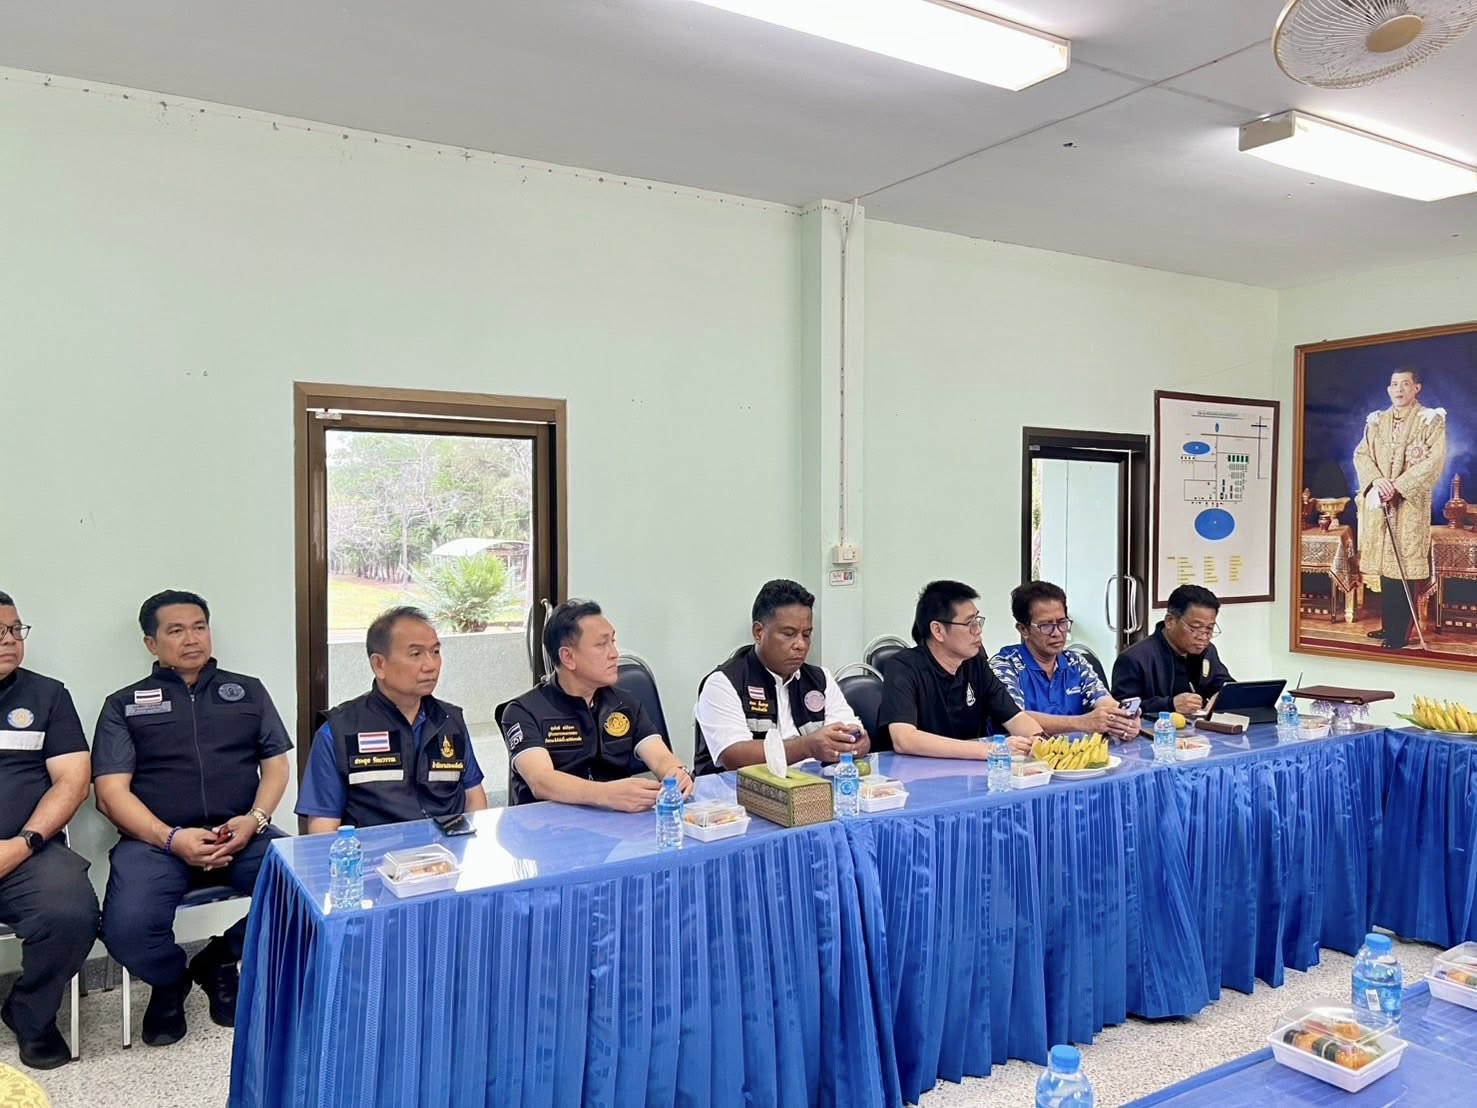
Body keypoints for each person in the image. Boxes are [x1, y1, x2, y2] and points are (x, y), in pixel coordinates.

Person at [93, 590, 291, 1047]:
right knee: (125, 929)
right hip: (155, 843)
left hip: (240, 834)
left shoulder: (247, 691)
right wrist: (171, 838)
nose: (192, 639)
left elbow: (277, 766)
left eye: (199, 627)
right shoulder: (123, 705)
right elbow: (110, 794)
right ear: (151, 643)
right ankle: (170, 981)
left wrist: (255, 819)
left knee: (306, 892)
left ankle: (218, 959)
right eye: (176, 630)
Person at [0, 592, 98, 1070]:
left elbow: (73, 781)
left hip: (29, 850)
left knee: (71, 912)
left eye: (15, 629)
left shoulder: (47, 696)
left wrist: (23, 844)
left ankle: (31, 1015)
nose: (9, 640)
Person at [296, 607, 488, 833]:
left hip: (447, 850)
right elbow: (323, 827)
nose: (431, 665)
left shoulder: (450, 720)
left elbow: (474, 799)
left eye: (435, 652)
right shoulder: (339, 731)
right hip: (377, 853)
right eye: (416, 654)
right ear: (379, 665)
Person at [498, 600, 693, 809]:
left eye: (613, 641)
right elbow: (541, 780)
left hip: (615, 822)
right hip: (549, 823)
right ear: (568, 657)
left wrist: (677, 772)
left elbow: (660, 757)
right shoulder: (523, 711)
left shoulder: (624, 704)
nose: (614, 654)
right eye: (601, 645)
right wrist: (606, 794)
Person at [693, 579, 867, 775]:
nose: (801, 645)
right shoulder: (723, 683)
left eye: (806, 634)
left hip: (809, 787)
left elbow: (854, 733)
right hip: (734, 790)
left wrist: (856, 741)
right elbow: (734, 756)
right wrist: (807, 747)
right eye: (789, 634)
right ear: (758, 632)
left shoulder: (820, 679)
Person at [877, 580, 1046, 757]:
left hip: (967, 768)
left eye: (977, 621)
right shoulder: (903, 666)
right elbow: (904, 739)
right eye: (969, 623)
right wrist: (992, 750)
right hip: (910, 770)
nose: (978, 630)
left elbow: (1016, 717)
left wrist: (1039, 741)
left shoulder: (975, 663)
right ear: (938, 631)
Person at [1353, 368, 1447, 650]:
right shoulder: (1377, 421)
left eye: (1405, 384)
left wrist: (1398, 486)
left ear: (1416, 388)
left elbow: (1434, 461)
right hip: (1381, 502)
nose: (1399, 389)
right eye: (1394, 384)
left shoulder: (1429, 419)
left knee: (1403, 567)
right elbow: (1362, 454)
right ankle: (1389, 625)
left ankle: (1400, 633)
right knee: (1386, 568)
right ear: (1388, 389)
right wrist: (1377, 481)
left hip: (1409, 505)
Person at [990, 581, 1137, 741]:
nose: (1057, 633)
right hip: (1022, 754)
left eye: (1062, 623)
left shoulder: (1076, 663)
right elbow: (1015, 717)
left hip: (1076, 753)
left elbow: (1104, 701)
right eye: (1046, 626)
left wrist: (1123, 717)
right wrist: (1083, 723)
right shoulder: (1004, 666)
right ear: (1023, 630)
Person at [1110, 584, 1232, 718]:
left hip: (1201, 728)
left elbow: (1224, 684)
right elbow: (1121, 710)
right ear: (1170, 621)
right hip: (1154, 729)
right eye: (1195, 627)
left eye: (1209, 628)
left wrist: (1222, 695)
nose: (1203, 637)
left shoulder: (1207, 651)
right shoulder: (1134, 659)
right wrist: (1169, 704)